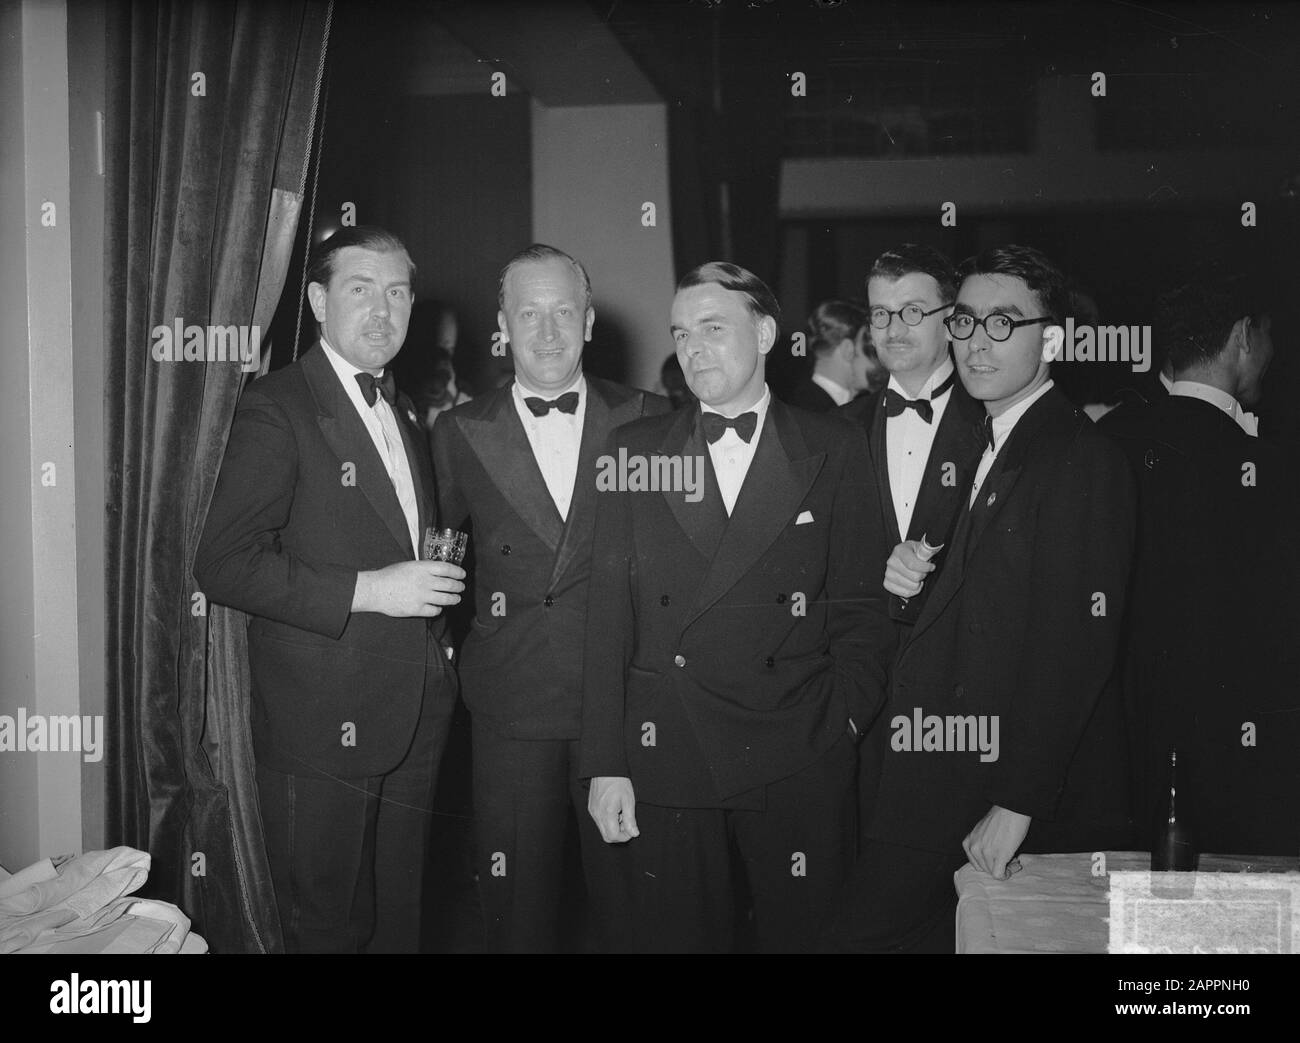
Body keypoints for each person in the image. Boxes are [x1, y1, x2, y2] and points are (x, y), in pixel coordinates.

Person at [820, 245, 1136, 953]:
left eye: (1004, 323)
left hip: (986, 782)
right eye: (965, 323)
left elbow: (1076, 646)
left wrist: (1017, 801)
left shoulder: (1080, 458)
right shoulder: (997, 436)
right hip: (939, 766)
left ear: (1051, 338)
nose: (976, 343)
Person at [581, 262, 895, 952]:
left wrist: (842, 717)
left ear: (764, 332)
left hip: (797, 750)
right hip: (670, 754)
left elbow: (862, 606)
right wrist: (605, 761)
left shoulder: (833, 446)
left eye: (713, 328)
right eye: (681, 333)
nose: (692, 348)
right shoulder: (634, 451)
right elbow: (607, 618)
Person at [194, 226, 465, 953]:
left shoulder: (402, 412)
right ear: (317, 300)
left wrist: (440, 654)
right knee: (329, 928)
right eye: (360, 289)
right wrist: (372, 589)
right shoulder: (276, 405)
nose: (383, 309)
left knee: (399, 919)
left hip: (416, 711)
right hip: (321, 722)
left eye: (397, 292)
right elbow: (220, 562)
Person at [430, 244, 669, 952]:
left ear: (591, 321)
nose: (547, 331)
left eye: (564, 311)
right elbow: (437, 561)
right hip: (511, 710)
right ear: (503, 326)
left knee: (635, 913)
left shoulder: (653, 419)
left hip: (625, 708)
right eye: (528, 313)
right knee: (517, 918)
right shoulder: (459, 431)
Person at [1101, 267, 1300, 854]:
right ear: (1243, 335)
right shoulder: (1271, 465)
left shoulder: (1107, 437)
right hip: (1237, 764)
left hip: (1119, 750)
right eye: (1267, 335)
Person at [783, 299, 878, 411]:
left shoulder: (801, 403)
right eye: (869, 348)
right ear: (848, 350)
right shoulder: (816, 414)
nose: (877, 359)